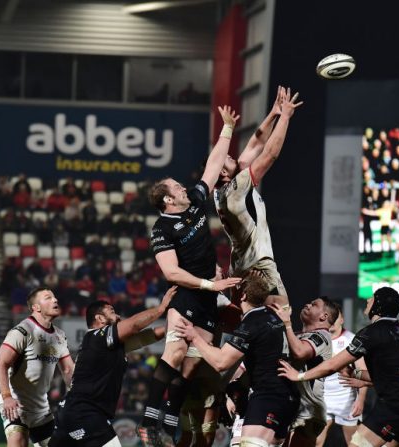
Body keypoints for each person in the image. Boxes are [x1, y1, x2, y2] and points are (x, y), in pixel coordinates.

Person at [140, 105, 242, 443]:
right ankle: (149, 418)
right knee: (176, 353)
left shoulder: (196, 202)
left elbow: (213, 167)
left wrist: (226, 130)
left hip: (208, 299)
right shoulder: (162, 229)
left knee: (194, 363)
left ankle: (170, 419)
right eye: (177, 187)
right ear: (168, 199)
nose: (184, 186)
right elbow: (172, 273)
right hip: (189, 294)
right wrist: (212, 284)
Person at [278, 287, 399, 447]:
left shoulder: (372, 332)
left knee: (356, 444)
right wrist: (354, 373)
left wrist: (299, 376)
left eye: (373, 298)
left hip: (395, 406)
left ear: (379, 305)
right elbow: (390, 374)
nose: (368, 301)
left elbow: (332, 366)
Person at [175, 275, 300, 447]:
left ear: (242, 296)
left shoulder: (251, 324)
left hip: (268, 396)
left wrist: (195, 337)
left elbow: (220, 362)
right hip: (287, 396)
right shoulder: (273, 316)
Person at [51, 286, 177, 447]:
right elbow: (133, 326)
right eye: (111, 311)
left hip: (73, 412)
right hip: (86, 412)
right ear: (100, 319)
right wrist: (161, 308)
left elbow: (145, 337)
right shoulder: (97, 336)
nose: (117, 315)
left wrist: (174, 328)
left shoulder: (109, 344)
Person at [213, 86, 303, 304]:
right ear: (224, 172)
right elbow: (269, 154)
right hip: (258, 264)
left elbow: (256, 143)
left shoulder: (222, 192)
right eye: (227, 157)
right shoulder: (237, 188)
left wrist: (274, 113)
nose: (233, 156)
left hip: (240, 266)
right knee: (281, 316)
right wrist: (285, 118)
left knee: (246, 324)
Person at [0, 288, 75, 447]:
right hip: (16, 404)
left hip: (41, 409)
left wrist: (79, 395)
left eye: (54, 297)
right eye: (48, 298)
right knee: (18, 441)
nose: (55, 300)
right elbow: (0, 365)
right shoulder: (22, 331)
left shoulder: (59, 335)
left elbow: (68, 370)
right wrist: (7, 396)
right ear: (36, 307)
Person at [270, 297, 338, 447]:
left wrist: (287, 323)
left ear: (324, 316)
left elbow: (300, 352)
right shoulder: (296, 334)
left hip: (308, 412)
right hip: (288, 407)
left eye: (314, 304)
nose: (307, 304)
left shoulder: (322, 336)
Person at [317, 309, 367, 447]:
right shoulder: (317, 339)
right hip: (322, 399)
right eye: (329, 316)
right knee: (316, 441)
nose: (332, 320)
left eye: (336, 317)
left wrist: (360, 400)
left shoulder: (352, 339)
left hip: (346, 400)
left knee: (353, 443)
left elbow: (363, 371)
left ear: (342, 319)